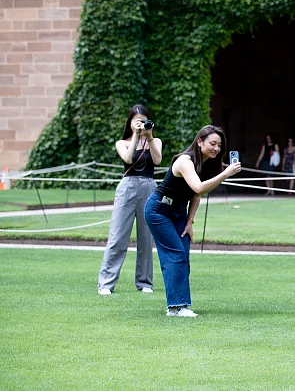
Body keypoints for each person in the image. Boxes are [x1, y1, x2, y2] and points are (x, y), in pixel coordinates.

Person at [144, 125, 241, 317]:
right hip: (159, 211)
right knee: (175, 255)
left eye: (219, 145)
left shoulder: (206, 163)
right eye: (213, 143)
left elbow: (196, 196)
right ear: (199, 141)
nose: (216, 148)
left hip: (179, 213)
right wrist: (225, 174)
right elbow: (198, 188)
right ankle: (176, 306)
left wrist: (190, 222)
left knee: (183, 257)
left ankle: (179, 306)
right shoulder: (184, 161)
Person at [98, 104, 162, 296]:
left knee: (146, 237)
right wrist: (135, 135)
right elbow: (127, 158)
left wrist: (148, 137)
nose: (141, 123)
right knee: (118, 235)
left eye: (143, 119)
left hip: (149, 186)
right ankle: (106, 283)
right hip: (128, 185)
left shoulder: (155, 140)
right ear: (130, 122)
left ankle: (144, 282)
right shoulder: (122, 142)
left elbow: (157, 160)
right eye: (137, 120)